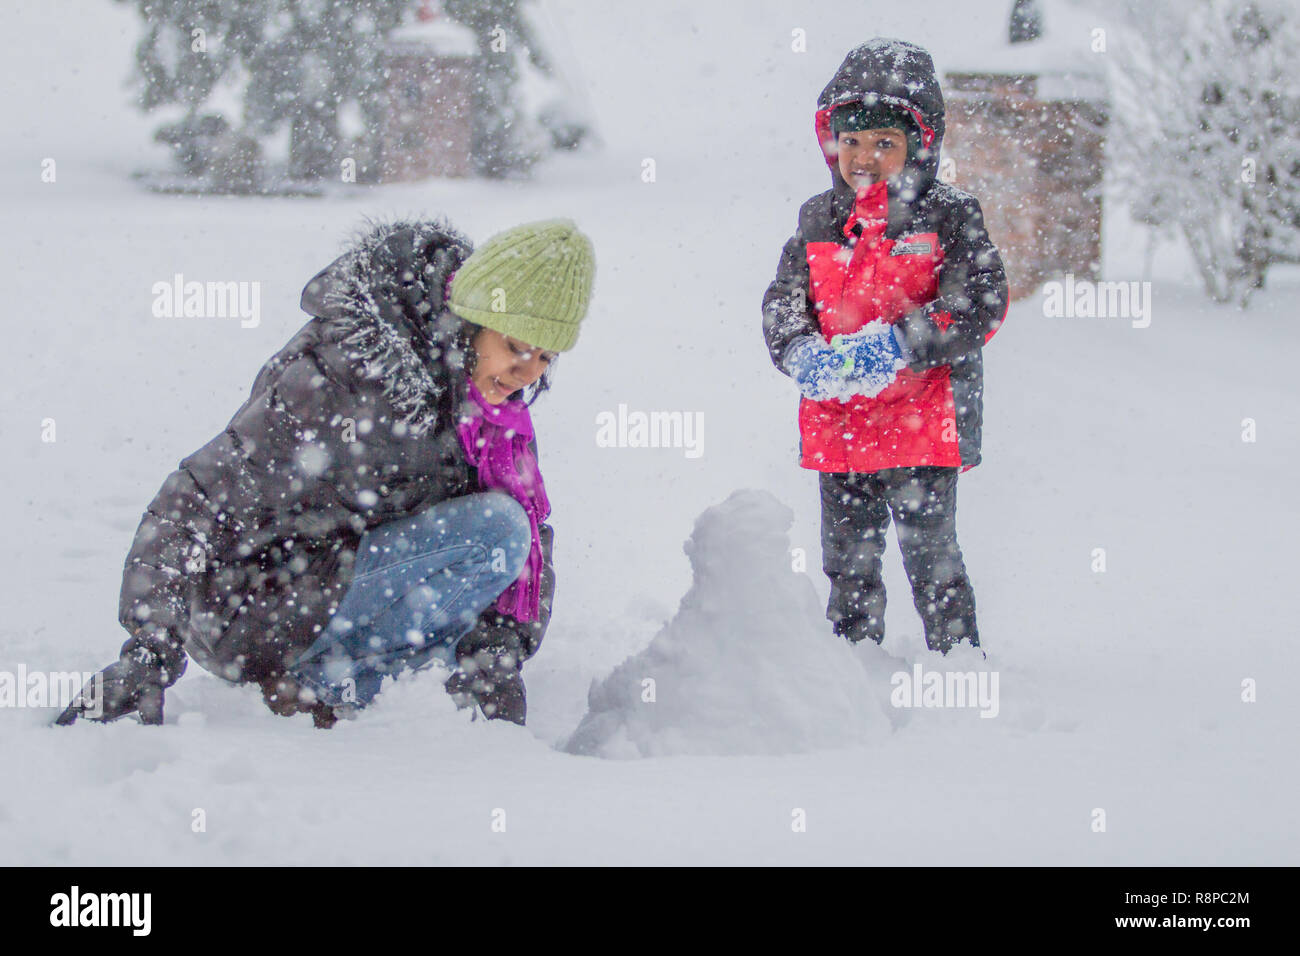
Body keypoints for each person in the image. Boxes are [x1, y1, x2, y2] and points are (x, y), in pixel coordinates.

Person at [57, 217, 595, 728]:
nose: (526, 371)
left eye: (545, 357)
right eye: (515, 347)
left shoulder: (487, 413)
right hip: (250, 602)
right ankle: (330, 685)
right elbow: (194, 498)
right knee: (496, 530)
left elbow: (531, 543)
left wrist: (497, 654)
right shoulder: (344, 378)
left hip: (324, 584)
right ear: (474, 319)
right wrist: (151, 651)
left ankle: (376, 684)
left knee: (505, 537)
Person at [761, 39, 1008, 655]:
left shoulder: (949, 216)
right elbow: (783, 300)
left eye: (883, 144)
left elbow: (979, 299)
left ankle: (956, 664)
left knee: (933, 561)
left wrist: (898, 345)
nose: (864, 158)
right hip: (839, 421)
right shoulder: (819, 217)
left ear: (919, 145)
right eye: (850, 142)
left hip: (922, 418)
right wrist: (800, 352)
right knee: (848, 564)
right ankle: (852, 666)